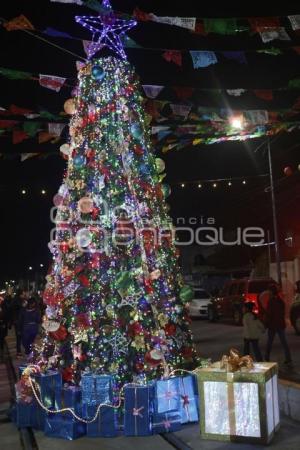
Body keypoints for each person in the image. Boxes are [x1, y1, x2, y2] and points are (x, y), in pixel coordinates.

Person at [264, 285, 292, 365]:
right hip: (280, 324)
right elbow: (282, 311)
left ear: (271, 292)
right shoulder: (280, 300)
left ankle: (266, 357)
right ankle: (288, 358)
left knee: (270, 342)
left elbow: (269, 314)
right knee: (284, 342)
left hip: (273, 325)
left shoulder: (271, 301)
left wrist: (266, 324)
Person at [10, 289, 26, 358]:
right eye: (23, 294)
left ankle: (20, 351)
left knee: (20, 336)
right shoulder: (17, 300)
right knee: (19, 336)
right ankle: (18, 352)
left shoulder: (19, 300)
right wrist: (23, 305)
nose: (24, 295)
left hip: (20, 320)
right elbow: (16, 308)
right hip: (18, 321)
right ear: (20, 294)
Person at [0, 298, 9, 362]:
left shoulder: (4, 309)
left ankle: (2, 355)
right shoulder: (4, 309)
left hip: (2, 327)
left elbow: (6, 318)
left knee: (1, 341)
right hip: (3, 327)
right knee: (1, 341)